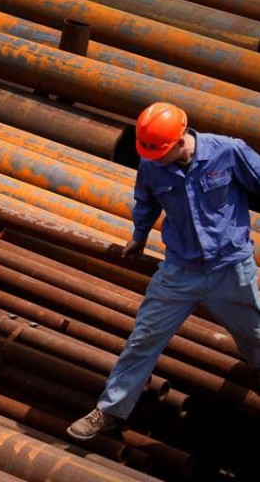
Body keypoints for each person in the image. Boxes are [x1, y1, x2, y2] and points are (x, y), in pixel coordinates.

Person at [67, 102, 260, 440]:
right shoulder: (152, 163)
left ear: (182, 139)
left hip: (230, 269)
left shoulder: (227, 152)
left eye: (160, 152)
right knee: (144, 339)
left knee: (256, 336)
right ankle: (110, 410)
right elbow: (146, 200)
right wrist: (138, 238)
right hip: (179, 271)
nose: (154, 158)